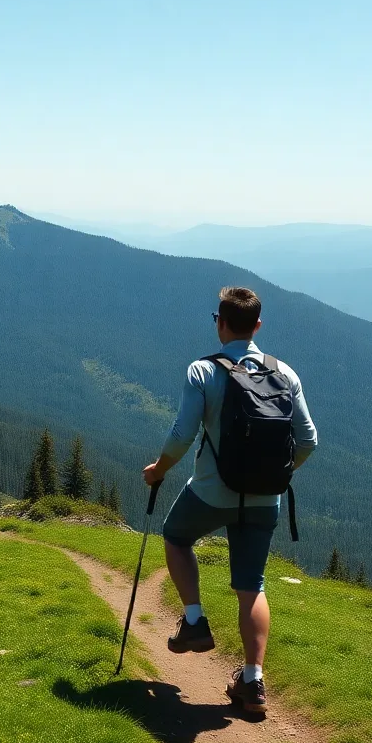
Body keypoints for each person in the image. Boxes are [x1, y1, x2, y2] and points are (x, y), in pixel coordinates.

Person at [143, 286, 317, 715]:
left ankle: (195, 621)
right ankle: (253, 682)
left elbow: (183, 433)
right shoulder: (285, 373)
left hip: (210, 491)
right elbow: (309, 440)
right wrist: (280, 474)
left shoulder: (203, 371)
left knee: (176, 536)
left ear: (219, 322)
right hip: (265, 498)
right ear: (258, 325)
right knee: (251, 586)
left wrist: (160, 469)